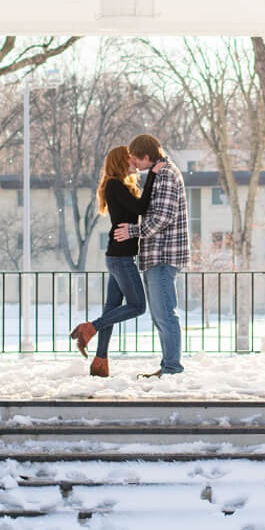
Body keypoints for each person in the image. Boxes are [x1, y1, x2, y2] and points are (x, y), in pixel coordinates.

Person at [70, 146, 155, 377]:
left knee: (112, 309)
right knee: (138, 306)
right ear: (119, 161)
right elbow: (141, 207)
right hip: (121, 258)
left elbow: (136, 208)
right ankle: (90, 328)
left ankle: (100, 362)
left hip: (118, 256)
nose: (133, 162)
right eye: (129, 158)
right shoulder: (115, 185)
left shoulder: (118, 185)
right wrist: (153, 176)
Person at [113, 134, 189, 377]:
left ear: (147, 156)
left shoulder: (166, 174)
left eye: (136, 158)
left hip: (163, 254)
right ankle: (168, 365)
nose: (133, 163)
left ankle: (172, 368)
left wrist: (133, 231)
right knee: (160, 315)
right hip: (156, 255)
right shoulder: (160, 172)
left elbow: (163, 217)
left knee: (165, 314)